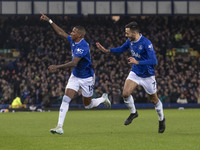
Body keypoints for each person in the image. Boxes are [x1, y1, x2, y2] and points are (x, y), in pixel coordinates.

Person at [40, 13, 111, 135]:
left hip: (87, 78)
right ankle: (59, 126)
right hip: (75, 76)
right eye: (72, 31)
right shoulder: (73, 40)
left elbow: (74, 62)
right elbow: (61, 33)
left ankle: (102, 99)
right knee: (66, 99)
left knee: (87, 105)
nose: (71, 33)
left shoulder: (83, 46)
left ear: (80, 35)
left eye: (73, 32)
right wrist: (49, 20)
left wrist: (57, 67)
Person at [96, 21, 165, 133]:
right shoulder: (130, 41)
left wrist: (138, 62)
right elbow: (122, 48)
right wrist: (107, 50)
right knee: (125, 93)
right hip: (135, 72)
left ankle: (161, 119)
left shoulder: (146, 43)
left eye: (127, 33)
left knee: (154, 99)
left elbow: (154, 61)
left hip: (148, 75)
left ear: (134, 32)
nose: (126, 35)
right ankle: (133, 113)